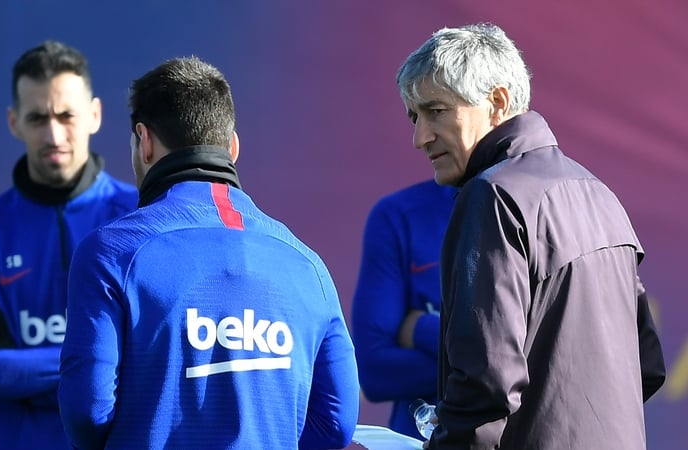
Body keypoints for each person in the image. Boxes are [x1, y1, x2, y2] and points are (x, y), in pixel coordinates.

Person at [57, 56, 360, 450]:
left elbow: (87, 415)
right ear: (232, 147)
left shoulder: (111, 253)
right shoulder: (307, 265)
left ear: (144, 142)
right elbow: (336, 424)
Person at [395, 23, 666, 449]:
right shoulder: (600, 194)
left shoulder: (493, 195)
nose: (419, 138)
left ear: (498, 102)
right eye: (414, 116)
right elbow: (645, 366)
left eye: (436, 111)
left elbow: (486, 382)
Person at [0, 41, 138, 450]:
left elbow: (160, 354)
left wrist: (19, 364)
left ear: (95, 115)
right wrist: (109, 356)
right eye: (37, 118)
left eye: (66, 115)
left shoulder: (140, 218)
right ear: (14, 122)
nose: (53, 134)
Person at [351, 178, 455, 438]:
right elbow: (374, 370)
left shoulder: (549, 205)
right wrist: (493, 364)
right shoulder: (400, 215)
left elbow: (543, 351)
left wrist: (420, 329)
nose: (421, 139)